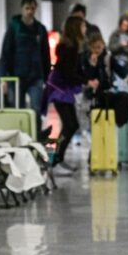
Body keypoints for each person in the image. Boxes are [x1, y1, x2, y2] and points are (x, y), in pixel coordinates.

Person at [44, 17, 87, 175]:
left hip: (63, 90)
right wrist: (85, 80)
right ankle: (55, 159)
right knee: (70, 125)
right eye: (82, 26)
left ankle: (57, 158)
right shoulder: (70, 48)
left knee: (71, 125)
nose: (85, 29)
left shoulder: (71, 47)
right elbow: (69, 72)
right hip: (60, 91)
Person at [0, 0, 51, 116]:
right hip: (16, 76)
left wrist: (47, 79)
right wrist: (3, 77)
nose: (30, 11)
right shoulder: (14, 28)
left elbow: (45, 55)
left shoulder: (40, 29)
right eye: (27, 8)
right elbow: (5, 53)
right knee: (18, 109)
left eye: (32, 8)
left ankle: (35, 128)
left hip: (36, 76)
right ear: (22, 9)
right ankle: (20, 128)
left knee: (37, 108)